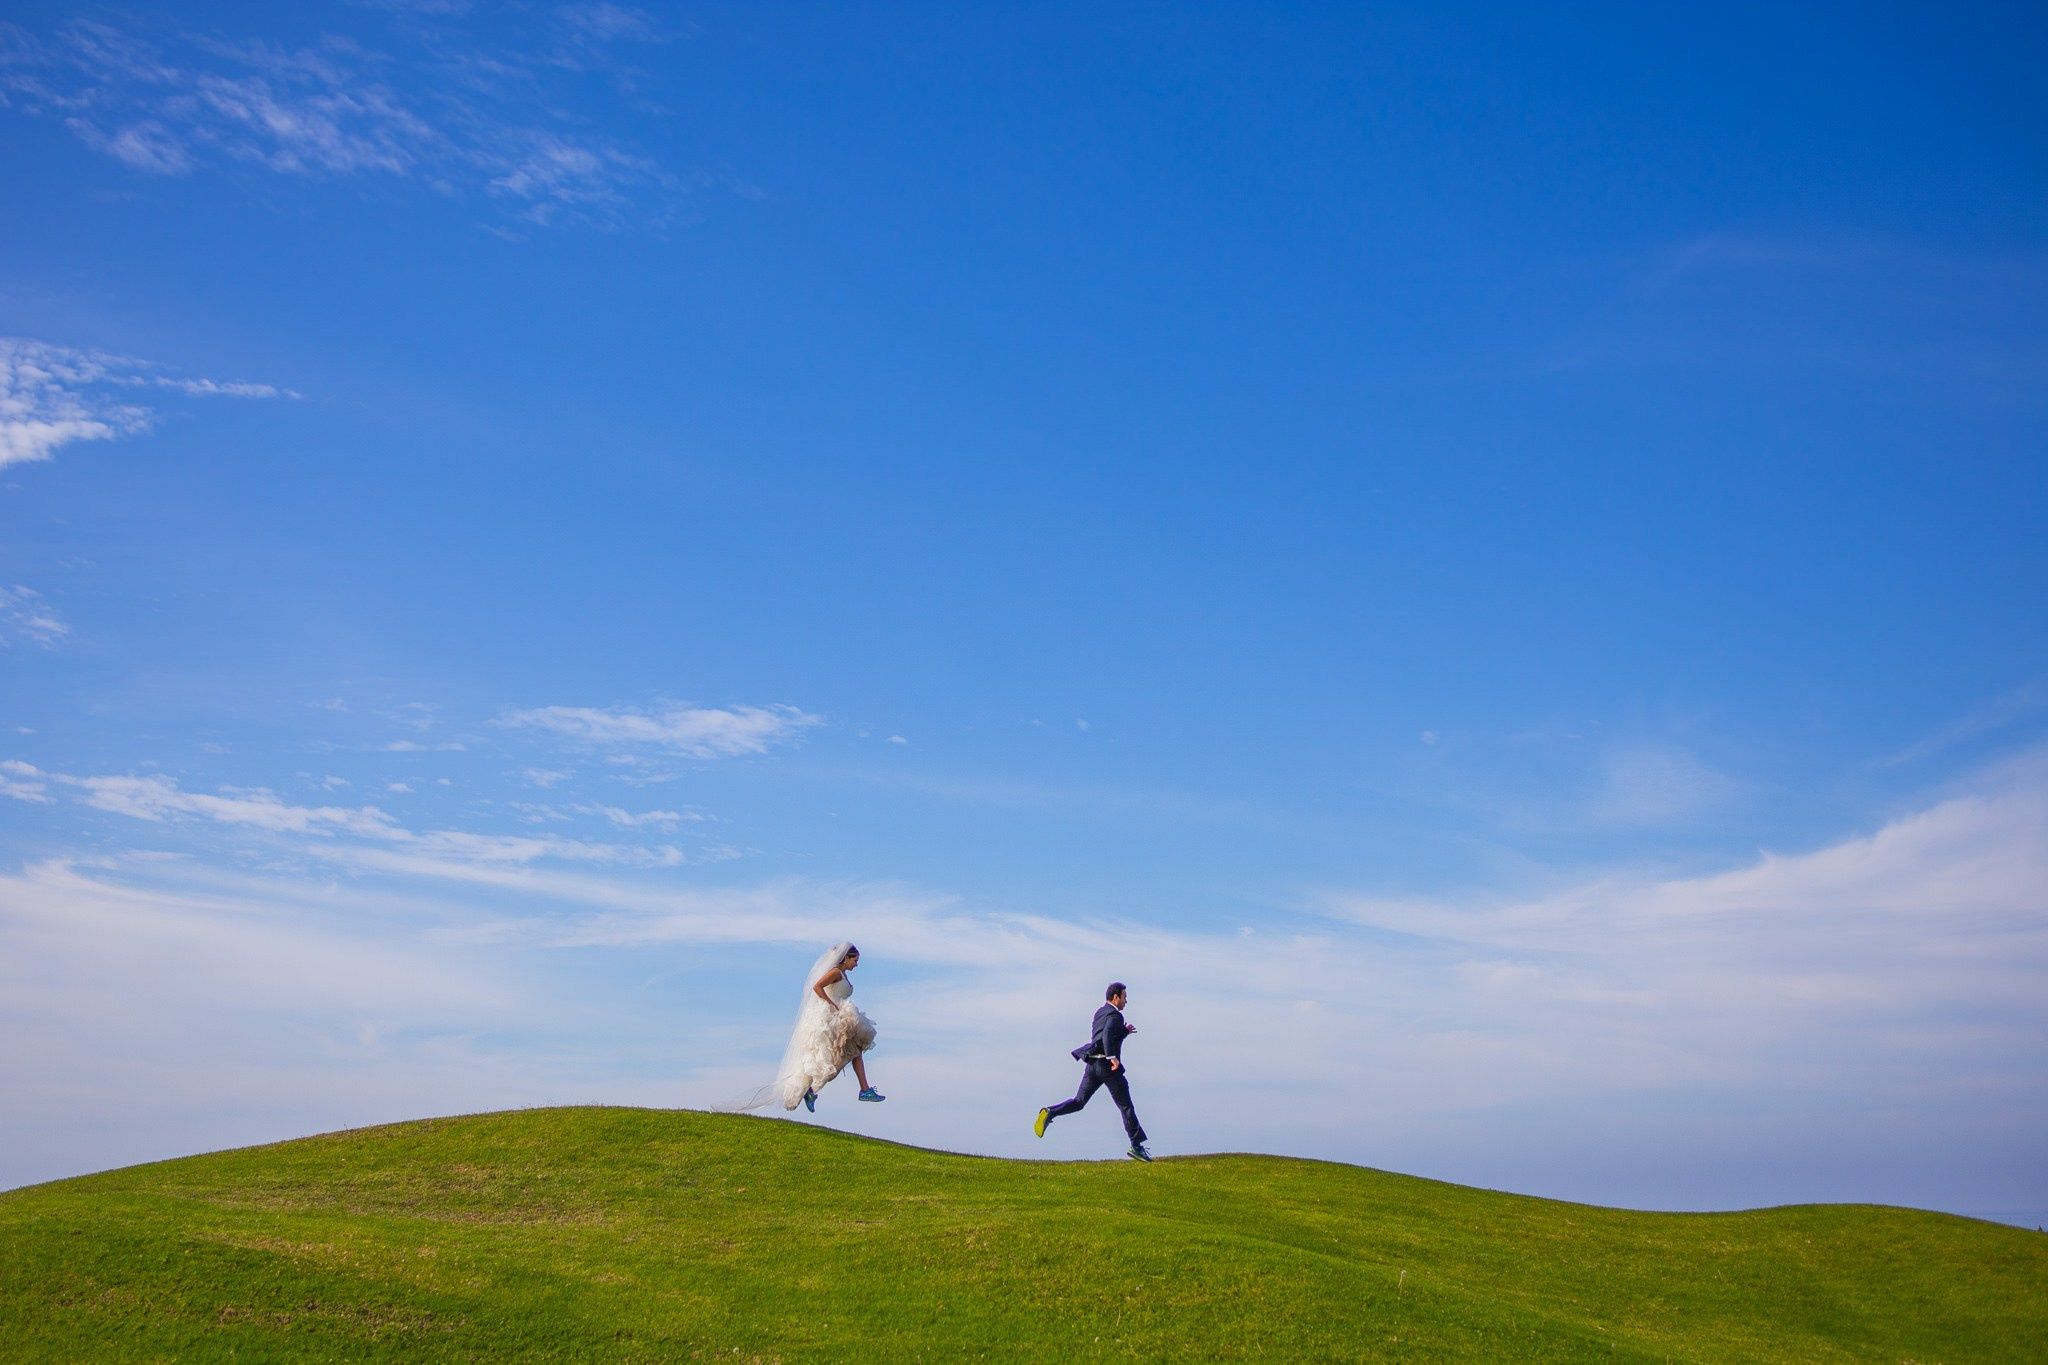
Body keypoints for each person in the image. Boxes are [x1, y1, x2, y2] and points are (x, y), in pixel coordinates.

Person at [722, 941, 883, 1113]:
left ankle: (856, 1090)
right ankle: (849, 1090)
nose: (857, 964)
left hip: (841, 1017)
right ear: (846, 958)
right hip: (831, 1018)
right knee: (836, 1057)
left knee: (853, 1051)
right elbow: (817, 987)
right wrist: (831, 1005)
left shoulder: (842, 974)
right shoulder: (836, 972)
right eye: (855, 960)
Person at [1035, 981, 1149, 1161]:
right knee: (1126, 1106)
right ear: (1116, 997)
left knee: (1079, 1102)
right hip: (1107, 1066)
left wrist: (1124, 1032)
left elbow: (1106, 1034)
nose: (1127, 1001)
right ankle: (1136, 1147)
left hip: (1092, 1065)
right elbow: (1107, 1036)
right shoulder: (1116, 1016)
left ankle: (1050, 1112)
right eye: (1125, 997)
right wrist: (1112, 1057)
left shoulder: (1100, 1013)